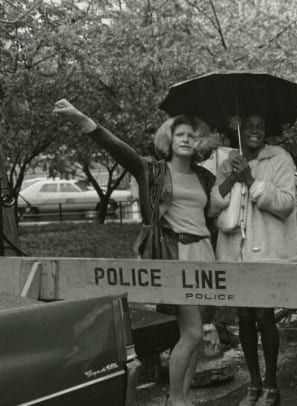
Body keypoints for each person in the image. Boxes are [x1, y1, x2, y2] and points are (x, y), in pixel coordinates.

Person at [52, 99, 216, 406]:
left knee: (196, 336)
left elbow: (213, 213)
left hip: (204, 254)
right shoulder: (152, 171)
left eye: (191, 136)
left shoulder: (205, 177)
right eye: (179, 134)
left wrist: (234, 180)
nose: (185, 139)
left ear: (199, 143)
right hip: (173, 255)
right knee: (192, 333)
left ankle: (183, 396)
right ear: (169, 139)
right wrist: (81, 117)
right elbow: (118, 148)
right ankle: (176, 400)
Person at [208, 113, 297, 406]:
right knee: (244, 318)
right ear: (239, 130)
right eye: (248, 127)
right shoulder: (227, 162)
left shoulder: (280, 158)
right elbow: (212, 206)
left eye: (260, 127)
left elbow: (286, 204)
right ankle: (254, 384)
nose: (254, 132)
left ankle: (271, 385)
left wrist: (252, 181)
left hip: (267, 252)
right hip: (235, 252)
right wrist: (234, 175)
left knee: (264, 315)